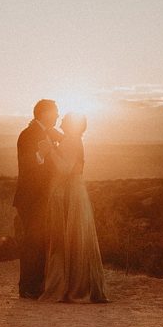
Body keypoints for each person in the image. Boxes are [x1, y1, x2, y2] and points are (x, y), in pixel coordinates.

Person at [40, 112, 108, 303]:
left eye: (65, 119)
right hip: (76, 191)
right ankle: (78, 284)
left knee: (71, 237)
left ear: (70, 125)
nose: (60, 119)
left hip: (71, 193)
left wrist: (50, 149)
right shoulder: (73, 139)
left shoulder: (71, 140)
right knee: (76, 237)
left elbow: (64, 168)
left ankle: (74, 287)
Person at [13, 99, 63, 298]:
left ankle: (36, 285)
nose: (58, 116)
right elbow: (27, 165)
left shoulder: (46, 133)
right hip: (31, 198)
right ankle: (28, 288)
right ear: (44, 113)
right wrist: (40, 156)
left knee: (39, 241)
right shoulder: (28, 135)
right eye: (55, 112)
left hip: (41, 198)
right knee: (32, 242)